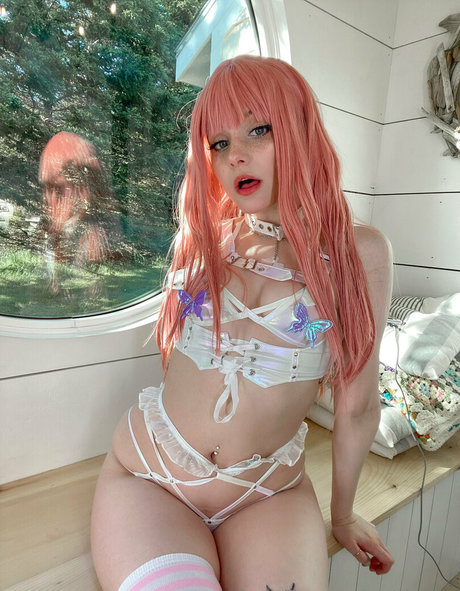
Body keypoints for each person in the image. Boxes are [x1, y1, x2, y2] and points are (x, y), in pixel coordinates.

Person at [91, 55, 394, 591]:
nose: (236, 156)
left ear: (300, 130)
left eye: (259, 129)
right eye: (219, 142)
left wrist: (343, 514)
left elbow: (359, 405)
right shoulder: (209, 239)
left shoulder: (358, 252)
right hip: (153, 477)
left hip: (266, 494)